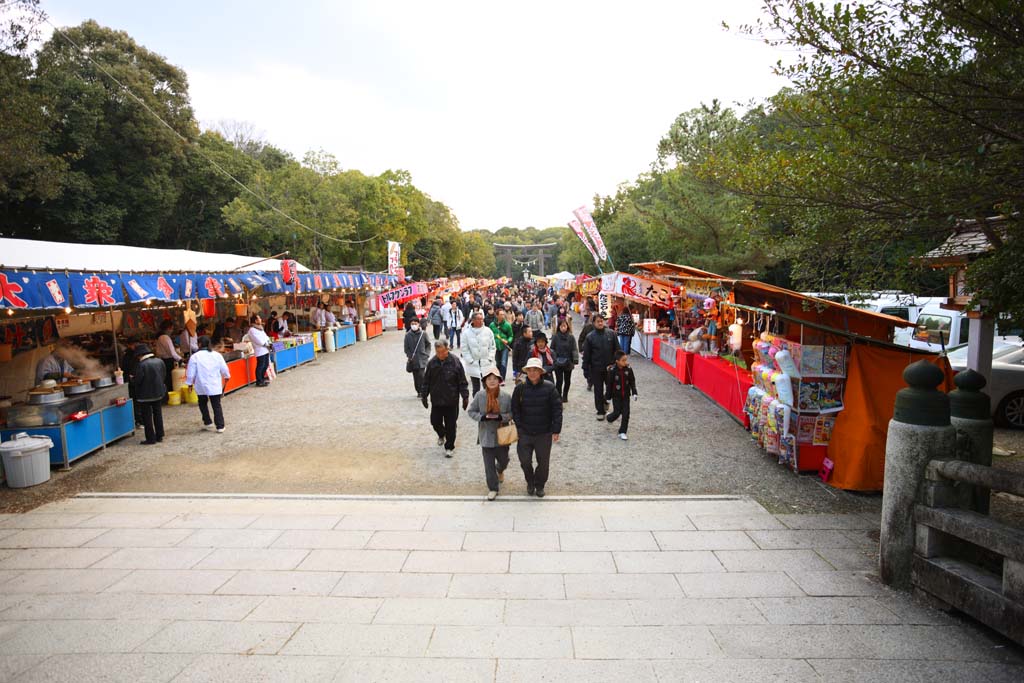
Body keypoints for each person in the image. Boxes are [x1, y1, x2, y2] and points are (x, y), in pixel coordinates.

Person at [511, 357, 562, 497]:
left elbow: (557, 410)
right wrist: (519, 427)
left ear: (541, 372)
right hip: (525, 432)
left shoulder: (550, 388)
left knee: (543, 463)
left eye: (535, 370)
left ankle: (540, 485)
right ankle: (530, 481)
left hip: (544, 433)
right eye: (530, 370)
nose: (532, 373)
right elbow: (515, 408)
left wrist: (556, 429)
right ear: (526, 372)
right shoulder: (520, 388)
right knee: (525, 461)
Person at [467, 367, 513, 500]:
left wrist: (502, 417)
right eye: (489, 379)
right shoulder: (479, 396)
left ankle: (501, 469)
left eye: (495, 379)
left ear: (499, 381)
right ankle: (493, 488)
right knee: (488, 465)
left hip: (502, 434)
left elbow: (511, 413)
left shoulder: (506, 397)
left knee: (504, 460)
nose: (492, 381)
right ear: (485, 381)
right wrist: (482, 417)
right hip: (486, 435)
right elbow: (471, 411)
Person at [420, 338, 469, 458]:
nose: (440, 355)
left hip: (451, 400)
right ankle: (442, 434)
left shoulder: (455, 362)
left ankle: (449, 446)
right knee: (435, 421)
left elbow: (462, 381)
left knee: (451, 425)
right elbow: (426, 381)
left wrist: (465, 397)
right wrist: (424, 396)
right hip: (437, 400)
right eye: (438, 353)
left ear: (447, 349)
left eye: (442, 352)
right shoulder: (432, 363)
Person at [185, 335, 231, 433]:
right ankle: (220, 426)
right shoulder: (217, 355)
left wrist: (189, 383)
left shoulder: (195, 357)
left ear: (200, 344)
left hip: (201, 383)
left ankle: (207, 422)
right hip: (214, 383)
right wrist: (227, 376)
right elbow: (224, 368)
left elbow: (191, 372)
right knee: (216, 404)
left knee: (202, 403)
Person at [582, 314, 620, 420]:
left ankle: (605, 401)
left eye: (601, 321)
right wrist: (585, 369)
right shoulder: (590, 337)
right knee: (598, 390)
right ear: (594, 323)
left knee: (611, 389)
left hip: (610, 367)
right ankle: (600, 410)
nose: (600, 323)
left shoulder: (611, 334)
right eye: (598, 321)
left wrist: (619, 363)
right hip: (596, 368)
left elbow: (617, 350)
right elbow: (587, 355)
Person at [131, 344, 166, 445]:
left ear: (140, 355)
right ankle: (160, 435)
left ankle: (150, 438)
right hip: (158, 392)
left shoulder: (141, 365)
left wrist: (132, 379)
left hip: (145, 395)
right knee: (158, 414)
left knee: (147, 417)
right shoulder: (159, 361)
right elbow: (163, 375)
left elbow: (138, 381)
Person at [605, 350, 638, 440]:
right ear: (617, 361)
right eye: (623, 360)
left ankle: (622, 431)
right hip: (616, 396)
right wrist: (608, 397)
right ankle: (609, 418)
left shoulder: (629, 369)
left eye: (626, 360)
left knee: (626, 413)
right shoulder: (612, 371)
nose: (625, 362)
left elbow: (632, 381)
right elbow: (609, 385)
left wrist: (634, 392)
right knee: (617, 412)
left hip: (626, 396)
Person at [461, 311, 496, 396]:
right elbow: (464, 349)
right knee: (476, 388)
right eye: (478, 319)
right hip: (473, 363)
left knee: (488, 386)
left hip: (486, 363)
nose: (481, 321)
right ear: (473, 320)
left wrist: (490, 358)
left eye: (481, 319)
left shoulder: (488, 331)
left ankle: (488, 405)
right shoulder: (466, 333)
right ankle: (477, 405)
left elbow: (492, 346)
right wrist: (470, 360)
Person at [551, 319, 579, 402]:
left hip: (568, 362)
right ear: (559, 327)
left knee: (567, 380)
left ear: (567, 326)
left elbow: (574, 349)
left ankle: (565, 395)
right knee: (559, 381)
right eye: (561, 326)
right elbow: (552, 349)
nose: (563, 328)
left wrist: (575, 360)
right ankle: (558, 396)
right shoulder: (555, 337)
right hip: (558, 362)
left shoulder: (571, 337)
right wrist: (554, 359)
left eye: (565, 326)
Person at [154, 320, 182, 400]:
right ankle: (170, 396)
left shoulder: (161, 337)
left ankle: (168, 396)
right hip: (168, 361)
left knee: (167, 379)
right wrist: (180, 359)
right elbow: (172, 352)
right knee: (170, 379)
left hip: (164, 360)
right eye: (172, 328)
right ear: (169, 328)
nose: (172, 330)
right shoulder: (165, 337)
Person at [404, 318, 430, 395]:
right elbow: (406, 348)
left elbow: (428, 344)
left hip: (422, 358)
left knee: (422, 375)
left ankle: (423, 390)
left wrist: (427, 354)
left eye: (415, 323)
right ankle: (418, 391)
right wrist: (409, 355)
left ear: (419, 324)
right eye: (412, 324)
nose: (414, 325)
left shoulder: (423, 334)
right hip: (413, 360)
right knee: (416, 377)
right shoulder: (408, 335)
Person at [247, 314, 273, 387]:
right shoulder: (252, 330)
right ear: (255, 320)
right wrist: (265, 343)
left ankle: (262, 378)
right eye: (259, 318)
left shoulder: (260, 328)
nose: (261, 319)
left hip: (266, 349)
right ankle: (259, 381)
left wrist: (269, 342)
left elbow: (265, 336)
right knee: (260, 365)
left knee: (266, 364)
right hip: (260, 350)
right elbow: (258, 339)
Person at [489, 309, 514, 383]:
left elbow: (511, 335)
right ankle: (499, 376)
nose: (503, 316)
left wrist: (508, 341)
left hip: (504, 347)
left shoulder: (507, 325)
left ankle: (502, 379)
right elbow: (489, 335)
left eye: (503, 314)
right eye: (501, 314)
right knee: (498, 363)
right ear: (497, 315)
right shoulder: (492, 325)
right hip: (495, 347)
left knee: (503, 362)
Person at [577, 313, 596, 390]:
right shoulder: (587, 327)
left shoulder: (603, 329)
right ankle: (590, 382)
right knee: (589, 368)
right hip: (588, 351)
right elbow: (581, 338)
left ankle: (596, 382)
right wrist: (581, 349)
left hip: (598, 352)